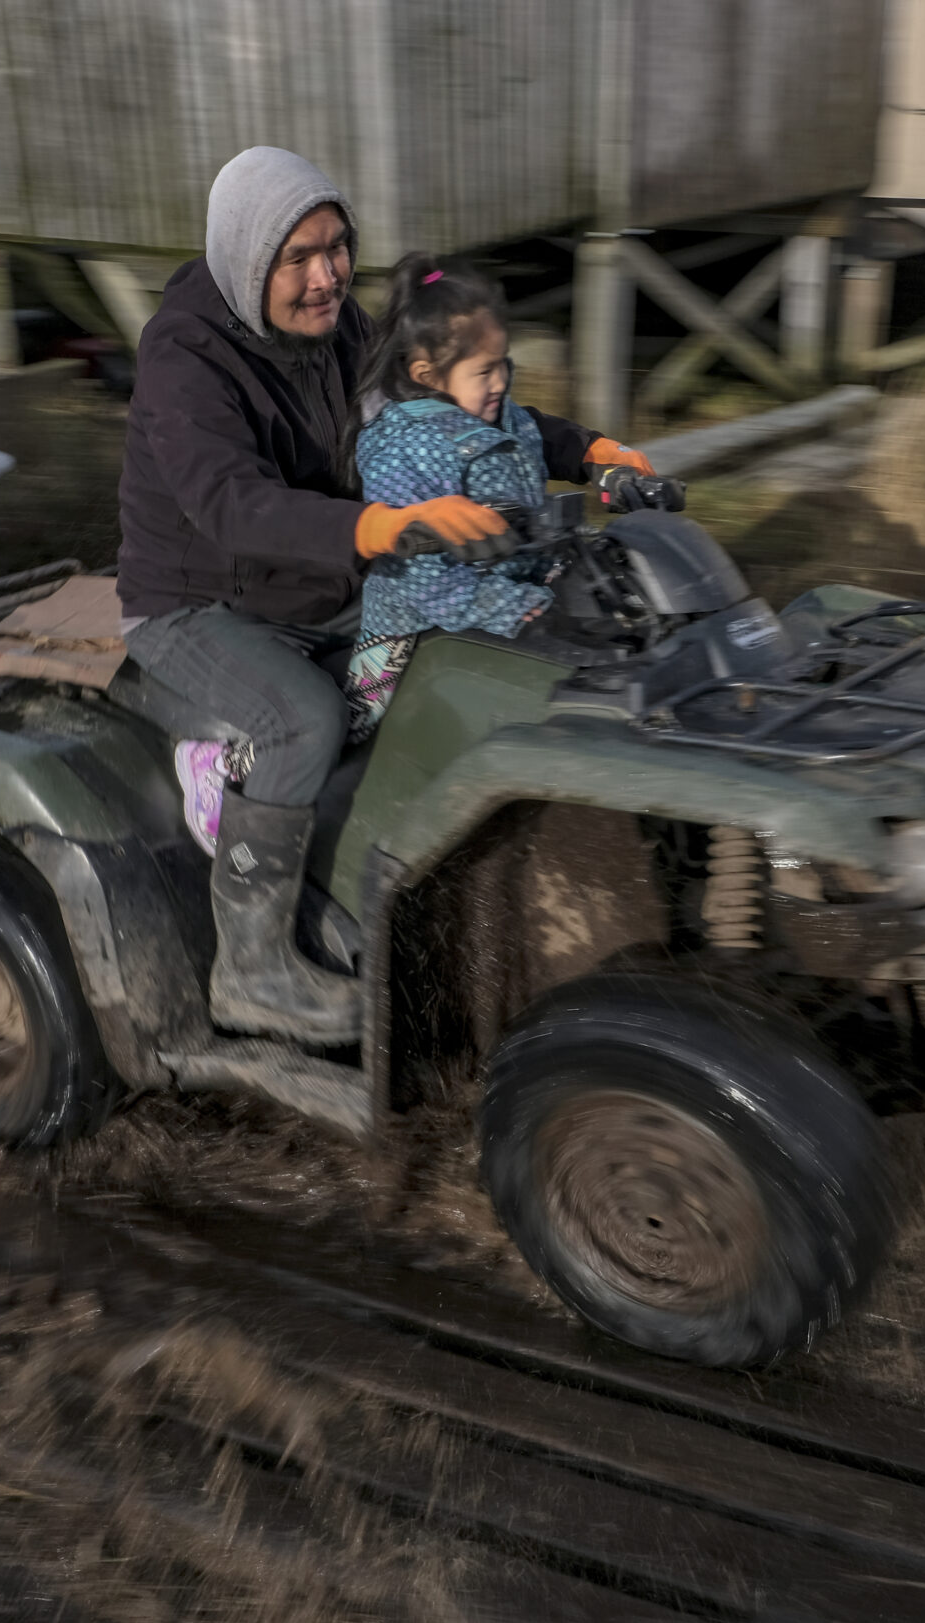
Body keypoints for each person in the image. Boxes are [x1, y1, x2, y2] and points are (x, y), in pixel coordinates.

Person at [117, 146, 652, 1048]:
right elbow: (229, 505)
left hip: (314, 584)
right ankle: (252, 969)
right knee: (304, 720)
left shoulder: (341, 330)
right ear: (252, 261)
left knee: (456, 668)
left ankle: (368, 890)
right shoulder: (185, 361)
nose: (328, 276)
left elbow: (458, 398)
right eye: (300, 257)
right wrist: (377, 528)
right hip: (195, 605)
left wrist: (588, 450)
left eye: (337, 248)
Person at [343, 255, 562, 739]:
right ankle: (232, 763)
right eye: (484, 372)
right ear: (426, 373)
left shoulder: (506, 419)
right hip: (414, 624)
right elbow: (425, 583)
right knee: (352, 728)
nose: (501, 382)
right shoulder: (406, 447)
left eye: (504, 363)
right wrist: (515, 610)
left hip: (504, 598)